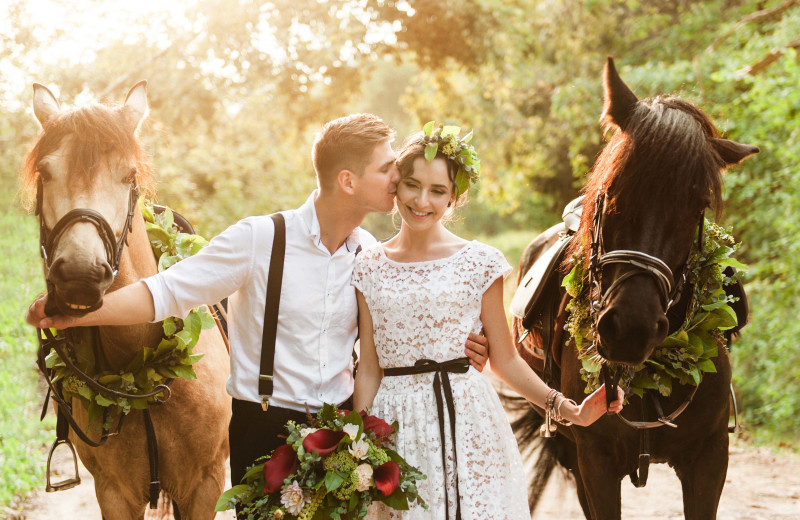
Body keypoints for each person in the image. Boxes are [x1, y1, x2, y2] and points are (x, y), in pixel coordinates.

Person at [26, 113, 491, 489]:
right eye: (388, 168)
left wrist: (468, 345)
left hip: (343, 430)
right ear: (348, 181)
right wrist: (75, 316)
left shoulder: (370, 254)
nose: (399, 177)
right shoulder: (259, 239)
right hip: (265, 427)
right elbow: (166, 292)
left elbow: (403, 333)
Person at [352, 124, 624, 519]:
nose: (421, 200)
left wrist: (570, 410)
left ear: (455, 197)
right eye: (412, 185)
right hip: (397, 428)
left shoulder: (479, 263)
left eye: (438, 190)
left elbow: (505, 359)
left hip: (469, 421)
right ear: (396, 186)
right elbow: (369, 369)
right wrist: (360, 445)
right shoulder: (368, 266)